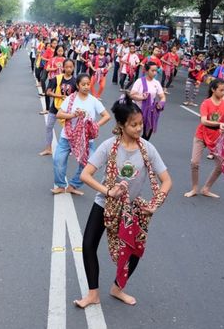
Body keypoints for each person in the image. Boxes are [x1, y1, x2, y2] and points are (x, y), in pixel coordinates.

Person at [74, 95, 172, 309]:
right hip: (105, 204)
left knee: (134, 250)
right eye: (134, 124)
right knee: (88, 244)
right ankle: (93, 294)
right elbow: (86, 175)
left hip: (132, 209)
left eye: (141, 124)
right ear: (121, 125)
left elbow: (166, 181)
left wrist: (156, 203)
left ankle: (118, 287)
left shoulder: (148, 149)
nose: (139, 128)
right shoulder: (109, 146)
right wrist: (108, 191)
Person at [52, 74, 111, 196]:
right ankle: (61, 185)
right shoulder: (70, 99)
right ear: (78, 86)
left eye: (88, 84)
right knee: (58, 160)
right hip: (67, 136)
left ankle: (73, 185)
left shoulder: (94, 100)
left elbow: (107, 116)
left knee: (91, 164)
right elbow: (59, 114)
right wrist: (73, 115)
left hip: (86, 140)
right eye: (83, 84)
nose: (86, 87)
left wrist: (95, 125)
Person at [184, 79, 224, 199]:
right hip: (201, 134)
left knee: (220, 165)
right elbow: (203, 120)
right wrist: (218, 124)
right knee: (194, 162)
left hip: (217, 138)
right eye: (221, 90)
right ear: (213, 90)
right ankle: (194, 188)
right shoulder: (206, 103)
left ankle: (206, 188)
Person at [41, 59, 77, 156]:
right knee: (49, 127)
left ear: (73, 68)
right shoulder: (57, 79)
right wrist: (59, 96)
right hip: (55, 107)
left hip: (68, 110)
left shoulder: (75, 81)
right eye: (67, 67)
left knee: (68, 129)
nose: (69, 69)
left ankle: (69, 148)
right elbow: (48, 92)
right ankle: (48, 148)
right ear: (63, 68)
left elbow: (78, 96)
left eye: (71, 67)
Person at [129, 62, 166, 140]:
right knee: (134, 133)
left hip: (150, 112)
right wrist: (141, 97)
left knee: (146, 136)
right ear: (146, 71)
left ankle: (142, 148)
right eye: (152, 71)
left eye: (156, 71)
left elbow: (162, 96)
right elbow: (131, 95)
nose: (155, 73)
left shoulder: (156, 83)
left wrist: (161, 103)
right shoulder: (139, 81)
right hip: (137, 112)